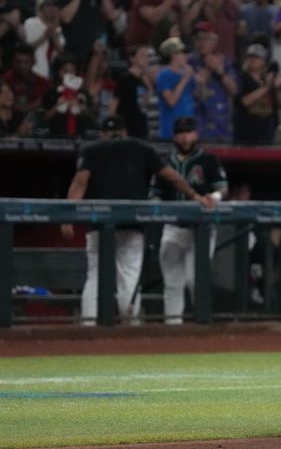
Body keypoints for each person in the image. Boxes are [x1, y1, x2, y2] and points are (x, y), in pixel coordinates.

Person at [61, 115, 211, 326]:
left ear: (103, 133)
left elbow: (79, 183)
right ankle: (130, 326)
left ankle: (89, 325)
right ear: (125, 131)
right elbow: (172, 176)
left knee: (95, 275)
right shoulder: (140, 148)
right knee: (129, 276)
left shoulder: (93, 149)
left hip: (99, 223)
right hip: (131, 224)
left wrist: (68, 216)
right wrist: (194, 195)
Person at [150, 117, 228, 325]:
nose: (185, 137)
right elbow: (154, 192)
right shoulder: (165, 162)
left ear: (196, 134)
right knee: (172, 283)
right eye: (181, 133)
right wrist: (157, 204)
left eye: (188, 132)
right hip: (173, 227)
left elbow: (222, 187)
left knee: (195, 280)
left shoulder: (209, 160)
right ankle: (173, 327)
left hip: (201, 228)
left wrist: (216, 198)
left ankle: (201, 324)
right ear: (175, 136)